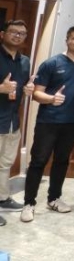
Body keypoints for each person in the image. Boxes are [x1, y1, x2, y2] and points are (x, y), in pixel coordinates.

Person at [22, 25, 74, 222]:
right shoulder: (51, 63)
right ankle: (29, 203)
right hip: (49, 121)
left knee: (62, 161)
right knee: (38, 161)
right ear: (67, 40)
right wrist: (51, 99)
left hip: (73, 123)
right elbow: (37, 93)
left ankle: (54, 198)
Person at [0, 20, 33, 220]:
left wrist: (28, 90)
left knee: (5, 164)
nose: (18, 35)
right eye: (13, 31)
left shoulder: (25, 61)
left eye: (22, 33)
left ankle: (2, 198)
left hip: (12, 121)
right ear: (2, 34)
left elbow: (23, 86)